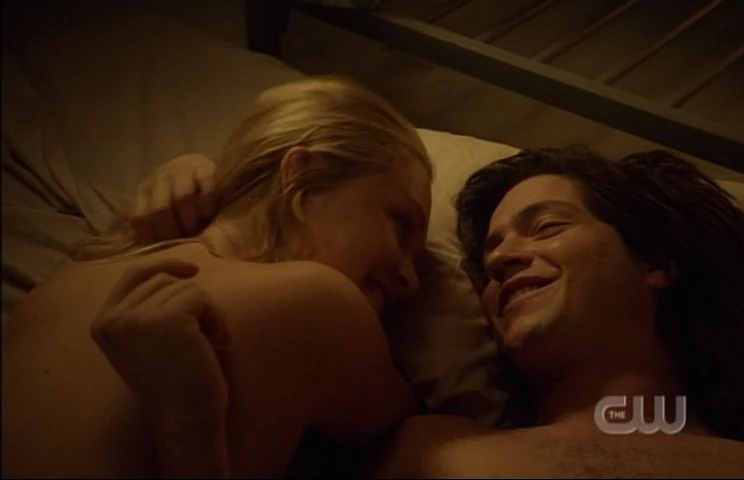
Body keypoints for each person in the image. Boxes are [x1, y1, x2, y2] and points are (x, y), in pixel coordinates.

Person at [94, 146, 744, 477]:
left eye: (545, 227)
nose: (504, 261)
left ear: (656, 262)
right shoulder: (424, 449)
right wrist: (216, 192)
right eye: (491, 255)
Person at [1, 76, 434, 477]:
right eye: (401, 224)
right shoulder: (319, 299)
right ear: (303, 176)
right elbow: (414, 426)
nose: (412, 280)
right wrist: (187, 424)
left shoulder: (69, 279)